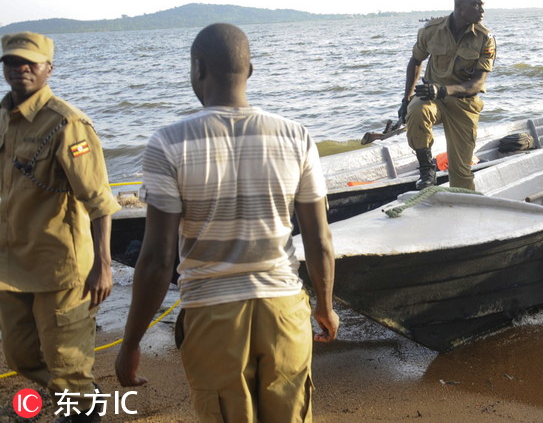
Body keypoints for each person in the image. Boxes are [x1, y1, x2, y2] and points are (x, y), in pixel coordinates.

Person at [115, 23, 339, 422]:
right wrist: (325, 305)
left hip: (211, 316)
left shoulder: (168, 143)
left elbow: (156, 258)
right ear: (249, 70)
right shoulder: (296, 136)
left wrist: (131, 342)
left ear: (197, 69)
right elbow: (319, 239)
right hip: (284, 310)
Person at [0, 32, 121, 422]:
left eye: (30, 63)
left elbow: (100, 202)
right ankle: (81, 394)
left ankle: (81, 402)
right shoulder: (4, 119)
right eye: (12, 62)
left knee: (66, 363)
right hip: (12, 265)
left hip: (61, 268)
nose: (20, 69)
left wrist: (104, 264)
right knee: (19, 355)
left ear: (48, 69)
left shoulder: (67, 124)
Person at [397, 0, 496, 191]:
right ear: (460, 6)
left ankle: (464, 207)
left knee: (461, 173)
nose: (481, 11)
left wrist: (443, 90)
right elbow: (415, 61)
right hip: (433, 99)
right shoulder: (432, 31)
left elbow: (476, 84)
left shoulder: (485, 39)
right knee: (416, 109)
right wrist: (406, 100)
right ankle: (427, 169)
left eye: (482, 5)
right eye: (475, 5)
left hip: (463, 104)